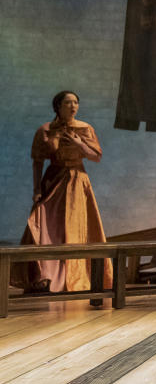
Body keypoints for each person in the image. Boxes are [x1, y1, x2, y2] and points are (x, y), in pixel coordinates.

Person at [18, 91, 113, 292]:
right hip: (53, 179)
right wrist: (36, 189)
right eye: (68, 102)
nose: (73, 106)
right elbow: (37, 162)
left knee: (74, 228)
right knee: (44, 224)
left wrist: (79, 143)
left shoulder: (85, 128)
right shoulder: (45, 130)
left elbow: (96, 156)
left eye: (76, 102)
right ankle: (44, 276)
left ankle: (77, 275)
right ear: (58, 106)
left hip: (77, 181)